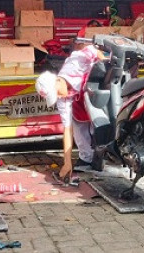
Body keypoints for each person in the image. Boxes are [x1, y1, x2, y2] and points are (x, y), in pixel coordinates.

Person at [35, 42, 105, 185]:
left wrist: (106, 68)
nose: (59, 97)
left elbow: (93, 50)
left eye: (57, 93)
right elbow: (67, 130)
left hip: (102, 86)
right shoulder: (63, 99)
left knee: (99, 126)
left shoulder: (74, 63)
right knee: (77, 122)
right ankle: (87, 158)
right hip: (85, 98)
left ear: (58, 81)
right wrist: (67, 163)